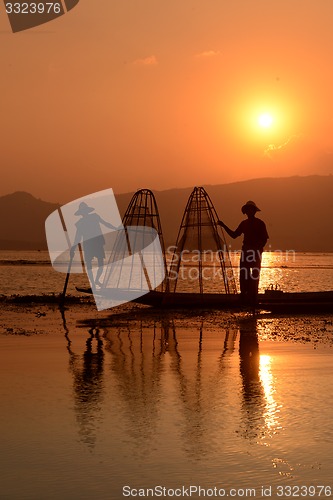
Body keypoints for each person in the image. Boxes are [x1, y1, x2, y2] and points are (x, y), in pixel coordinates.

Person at [218, 201, 269, 304]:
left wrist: (258, 248)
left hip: (255, 253)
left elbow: (264, 239)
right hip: (246, 252)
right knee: (244, 274)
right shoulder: (243, 224)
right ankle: (244, 296)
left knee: (254, 275)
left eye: (251, 210)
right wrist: (223, 226)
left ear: (254, 211)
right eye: (248, 210)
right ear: (246, 212)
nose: (249, 212)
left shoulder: (260, 223)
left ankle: (254, 298)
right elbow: (234, 235)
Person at [70, 202, 117, 289]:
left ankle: (96, 281)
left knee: (100, 264)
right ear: (81, 213)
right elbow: (77, 237)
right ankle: (93, 284)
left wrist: (116, 228)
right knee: (89, 266)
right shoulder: (80, 223)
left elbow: (105, 223)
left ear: (86, 211)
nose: (84, 213)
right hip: (89, 245)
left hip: (97, 243)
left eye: (85, 211)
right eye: (83, 212)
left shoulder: (95, 216)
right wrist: (73, 249)